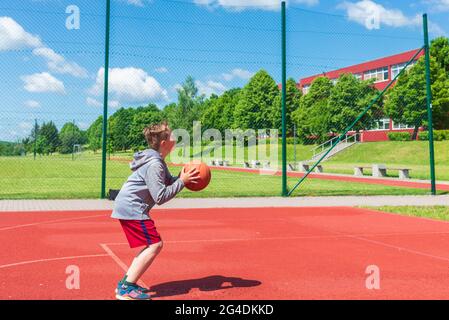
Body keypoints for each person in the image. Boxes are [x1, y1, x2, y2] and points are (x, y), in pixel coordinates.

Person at [111, 121, 199, 300]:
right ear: (164, 143)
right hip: (132, 207)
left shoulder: (157, 161)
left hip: (129, 206)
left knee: (151, 244)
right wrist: (182, 182)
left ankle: (126, 283)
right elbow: (160, 196)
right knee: (155, 244)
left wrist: (182, 178)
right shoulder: (155, 164)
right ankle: (126, 289)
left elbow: (168, 181)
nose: (176, 138)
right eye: (172, 135)